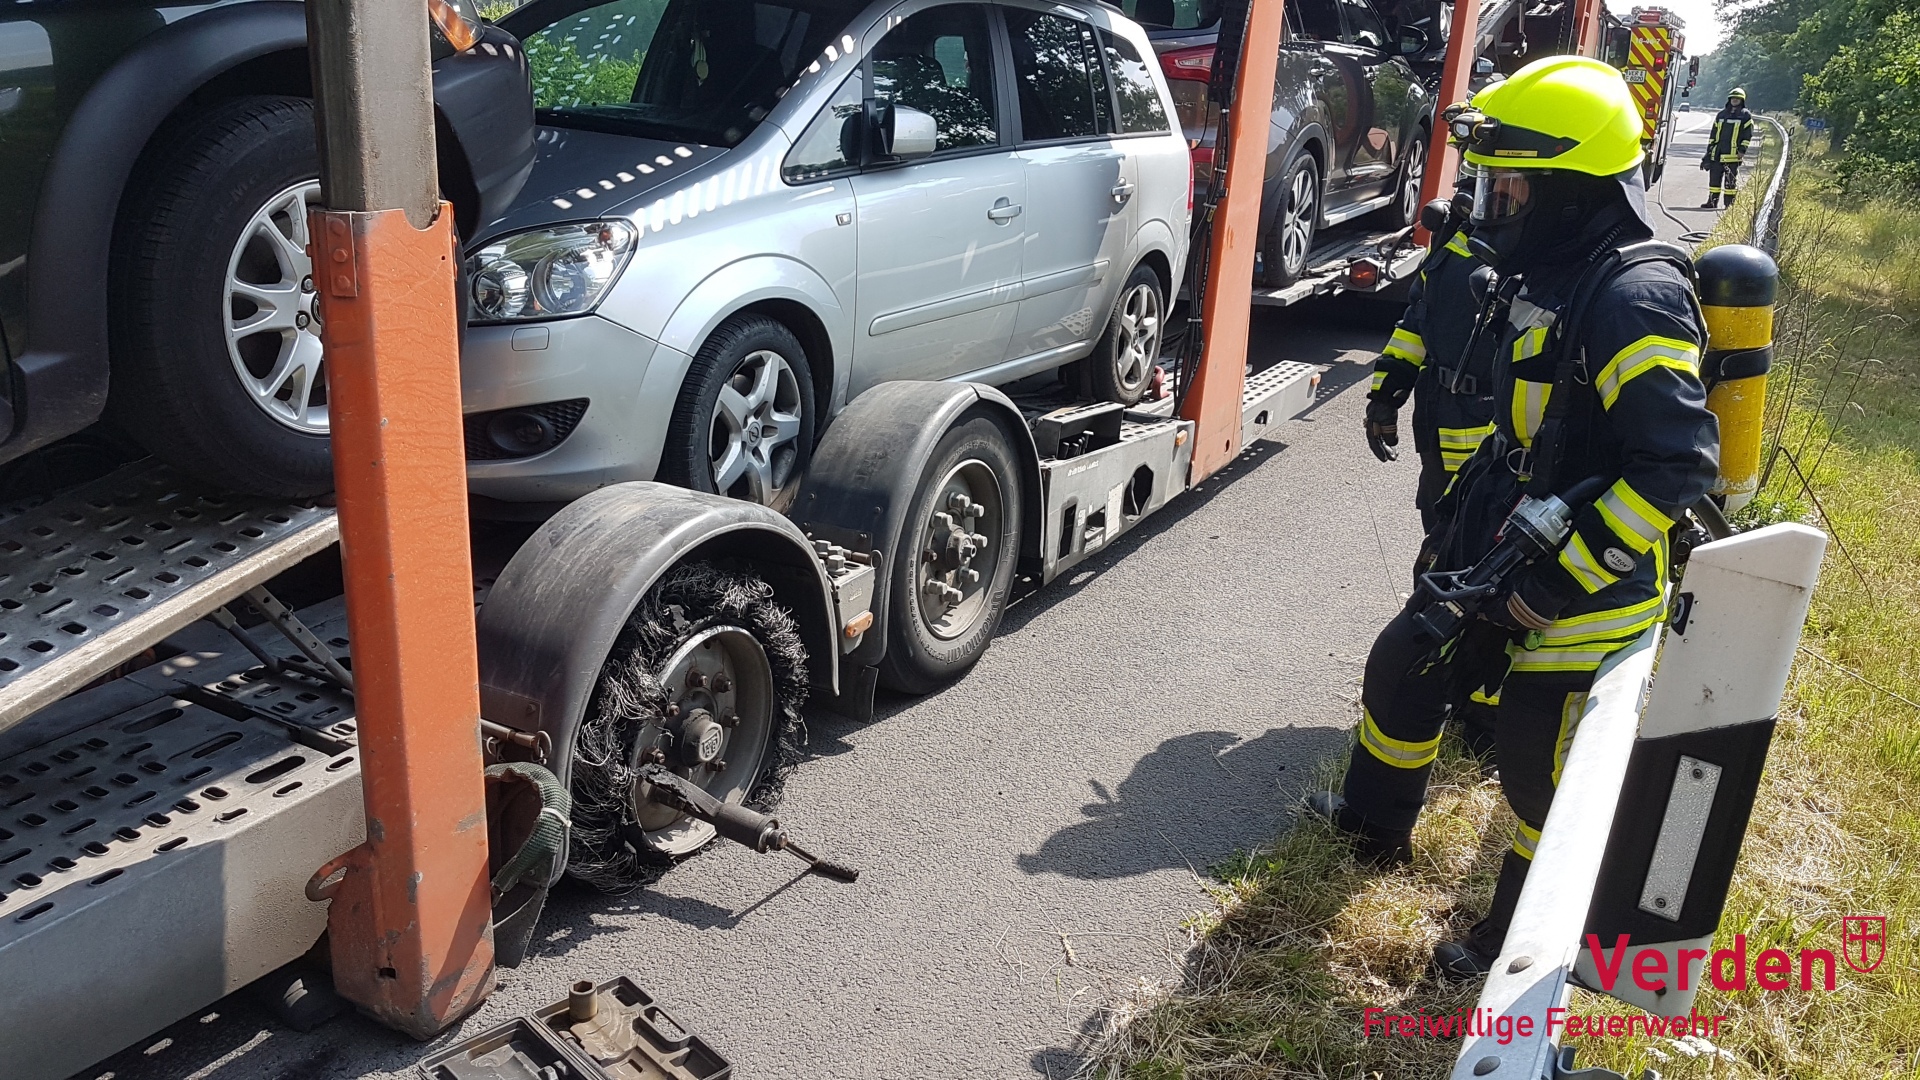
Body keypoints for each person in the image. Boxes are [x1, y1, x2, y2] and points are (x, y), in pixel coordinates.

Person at [1311, 55, 1719, 977]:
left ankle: (1517, 951)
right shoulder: (1555, 268)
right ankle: (1373, 833)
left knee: (1541, 775)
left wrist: (1550, 586)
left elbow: (1676, 466)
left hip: (1586, 592)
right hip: (1509, 540)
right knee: (1405, 666)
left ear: (1573, 188)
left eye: (1514, 181)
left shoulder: (1632, 296)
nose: (1495, 200)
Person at [1365, 170, 1503, 759]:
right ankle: (1440, 686)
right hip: (1440, 423)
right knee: (1444, 548)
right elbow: (1414, 329)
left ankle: (1484, 720)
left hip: (1493, 435)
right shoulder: (1451, 253)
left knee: (1484, 562)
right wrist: (1385, 395)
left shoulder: (1524, 265)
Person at [1702, 88, 1754, 209]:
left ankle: (1729, 204)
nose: (1734, 100)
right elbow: (1713, 134)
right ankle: (1712, 202)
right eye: (1733, 98)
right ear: (1729, 99)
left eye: (1737, 98)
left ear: (1741, 100)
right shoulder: (1721, 115)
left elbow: (1747, 135)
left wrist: (1742, 150)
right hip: (1717, 154)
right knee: (1714, 180)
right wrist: (1709, 153)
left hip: (1732, 155)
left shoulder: (1745, 115)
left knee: (1730, 182)